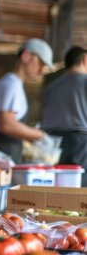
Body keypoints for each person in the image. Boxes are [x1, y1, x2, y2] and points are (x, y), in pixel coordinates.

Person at [0, 38, 56, 163]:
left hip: (6, 154)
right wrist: (40, 135)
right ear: (26, 56)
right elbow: (6, 124)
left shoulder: (12, 83)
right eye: (40, 62)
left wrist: (31, 137)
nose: (42, 69)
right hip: (3, 155)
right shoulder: (11, 84)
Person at [42, 46, 87, 186]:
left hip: (53, 143)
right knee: (80, 189)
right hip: (80, 141)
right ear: (85, 60)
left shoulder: (51, 87)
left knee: (59, 185)